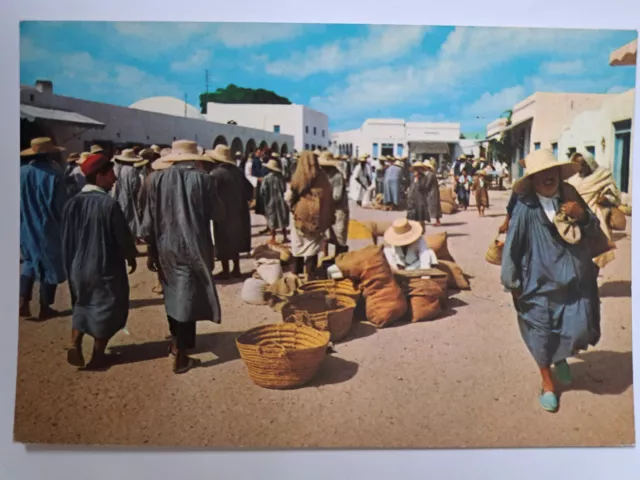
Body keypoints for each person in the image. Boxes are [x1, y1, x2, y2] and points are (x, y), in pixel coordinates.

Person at [501, 149, 602, 413]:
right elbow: (512, 247)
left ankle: (561, 358)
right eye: (541, 174)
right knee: (540, 335)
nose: (548, 178)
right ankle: (548, 384)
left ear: (558, 174)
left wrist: (582, 215)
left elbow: (594, 229)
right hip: (537, 284)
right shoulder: (525, 207)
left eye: (552, 172)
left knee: (579, 327)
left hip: (574, 282)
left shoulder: (570, 194)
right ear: (532, 180)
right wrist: (512, 283)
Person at [142, 140, 225, 374]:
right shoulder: (205, 180)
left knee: (172, 292)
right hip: (194, 245)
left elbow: (147, 221)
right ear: (194, 157)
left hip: (164, 246)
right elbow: (218, 213)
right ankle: (181, 352)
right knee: (188, 295)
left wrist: (150, 251)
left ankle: (177, 341)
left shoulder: (154, 179)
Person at [62, 153, 137, 369]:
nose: (114, 179)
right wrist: (130, 256)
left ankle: (74, 341)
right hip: (105, 266)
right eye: (111, 174)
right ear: (99, 176)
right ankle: (98, 356)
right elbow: (122, 237)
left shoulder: (72, 204)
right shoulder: (109, 205)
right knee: (107, 307)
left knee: (82, 302)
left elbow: (66, 238)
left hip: (78, 265)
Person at [19, 137, 68, 320]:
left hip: (25, 225)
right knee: (50, 265)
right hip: (49, 227)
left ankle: (23, 301)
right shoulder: (55, 175)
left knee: (30, 262)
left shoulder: (21, 173)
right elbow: (61, 206)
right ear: (49, 154)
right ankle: (45, 306)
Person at [568, 151, 621, 269]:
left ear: (590, 164)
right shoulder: (572, 179)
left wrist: (606, 198)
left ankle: (592, 279)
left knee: (595, 253)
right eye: (576, 165)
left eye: (582, 165)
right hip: (576, 217)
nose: (579, 169)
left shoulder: (602, 176)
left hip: (595, 217)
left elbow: (615, 196)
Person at [207, 145, 253, 279]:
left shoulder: (215, 174)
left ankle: (226, 270)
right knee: (235, 240)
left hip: (223, 213)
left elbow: (211, 194)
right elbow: (249, 190)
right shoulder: (238, 171)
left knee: (223, 241)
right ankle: (236, 268)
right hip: (239, 212)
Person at [288, 151, 335, 279]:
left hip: (300, 217)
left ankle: (295, 274)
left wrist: (293, 205)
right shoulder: (323, 177)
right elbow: (329, 196)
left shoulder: (298, 176)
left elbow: (289, 196)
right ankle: (310, 273)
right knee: (312, 245)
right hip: (317, 218)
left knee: (297, 244)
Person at [319, 152, 350, 256]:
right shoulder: (323, 175)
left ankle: (339, 257)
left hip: (339, 209)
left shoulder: (337, 176)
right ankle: (325, 256)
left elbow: (337, 196)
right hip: (327, 208)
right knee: (325, 233)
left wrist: (323, 197)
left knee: (339, 233)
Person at [112, 149, 143, 241]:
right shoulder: (132, 170)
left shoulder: (116, 168)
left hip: (117, 197)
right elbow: (135, 186)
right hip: (128, 198)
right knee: (130, 221)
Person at [260, 158, 290, 245]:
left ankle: (273, 238)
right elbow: (284, 188)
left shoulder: (266, 178)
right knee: (282, 218)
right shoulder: (281, 178)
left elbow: (263, 191)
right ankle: (285, 237)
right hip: (281, 201)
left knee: (272, 219)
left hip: (270, 201)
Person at [406, 161, 431, 228]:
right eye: (416, 169)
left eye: (419, 168)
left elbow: (422, 187)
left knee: (420, 215)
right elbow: (410, 186)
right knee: (412, 216)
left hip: (420, 198)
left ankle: (421, 229)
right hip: (412, 198)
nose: (417, 170)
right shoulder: (411, 177)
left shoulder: (424, 177)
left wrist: (417, 180)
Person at [424, 158, 442, 226]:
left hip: (432, 193)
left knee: (434, 206)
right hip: (431, 192)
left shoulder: (430, 174)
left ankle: (437, 221)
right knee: (433, 206)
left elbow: (427, 184)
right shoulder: (429, 174)